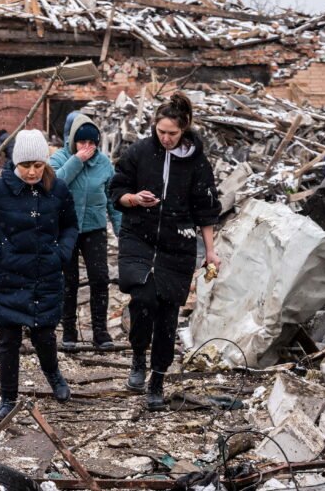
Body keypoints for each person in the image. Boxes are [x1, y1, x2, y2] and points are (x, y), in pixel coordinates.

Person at [109, 92, 221, 410]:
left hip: (178, 243)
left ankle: (157, 378)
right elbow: (116, 188)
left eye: (172, 133)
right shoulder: (140, 152)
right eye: (161, 132)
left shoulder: (197, 163)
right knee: (143, 299)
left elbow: (206, 210)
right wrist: (132, 199)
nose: (167, 138)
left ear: (184, 128)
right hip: (138, 237)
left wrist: (210, 252)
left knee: (168, 312)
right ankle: (137, 357)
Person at [0, 130, 80, 421]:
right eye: (26, 165)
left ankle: (54, 377)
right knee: (9, 340)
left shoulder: (58, 189)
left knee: (45, 334)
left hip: (46, 275)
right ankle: (8, 398)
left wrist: (62, 252)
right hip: (8, 275)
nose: (32, 172)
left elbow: (70, 226)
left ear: (45, 163)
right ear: (16, 163)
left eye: (38, 165)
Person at [50, 112, 122, 350]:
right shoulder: (59, 159)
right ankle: (69, 332)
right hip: (65, 229)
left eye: (92, 143)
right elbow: (54, 185)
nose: (87, 147)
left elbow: (113, 199)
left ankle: (100, 333)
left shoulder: (104, 164)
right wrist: (76, 161)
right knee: (68, 281)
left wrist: (120, 228)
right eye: (82, 142)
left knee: (100, 279)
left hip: (94, 227)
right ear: (72, 141)